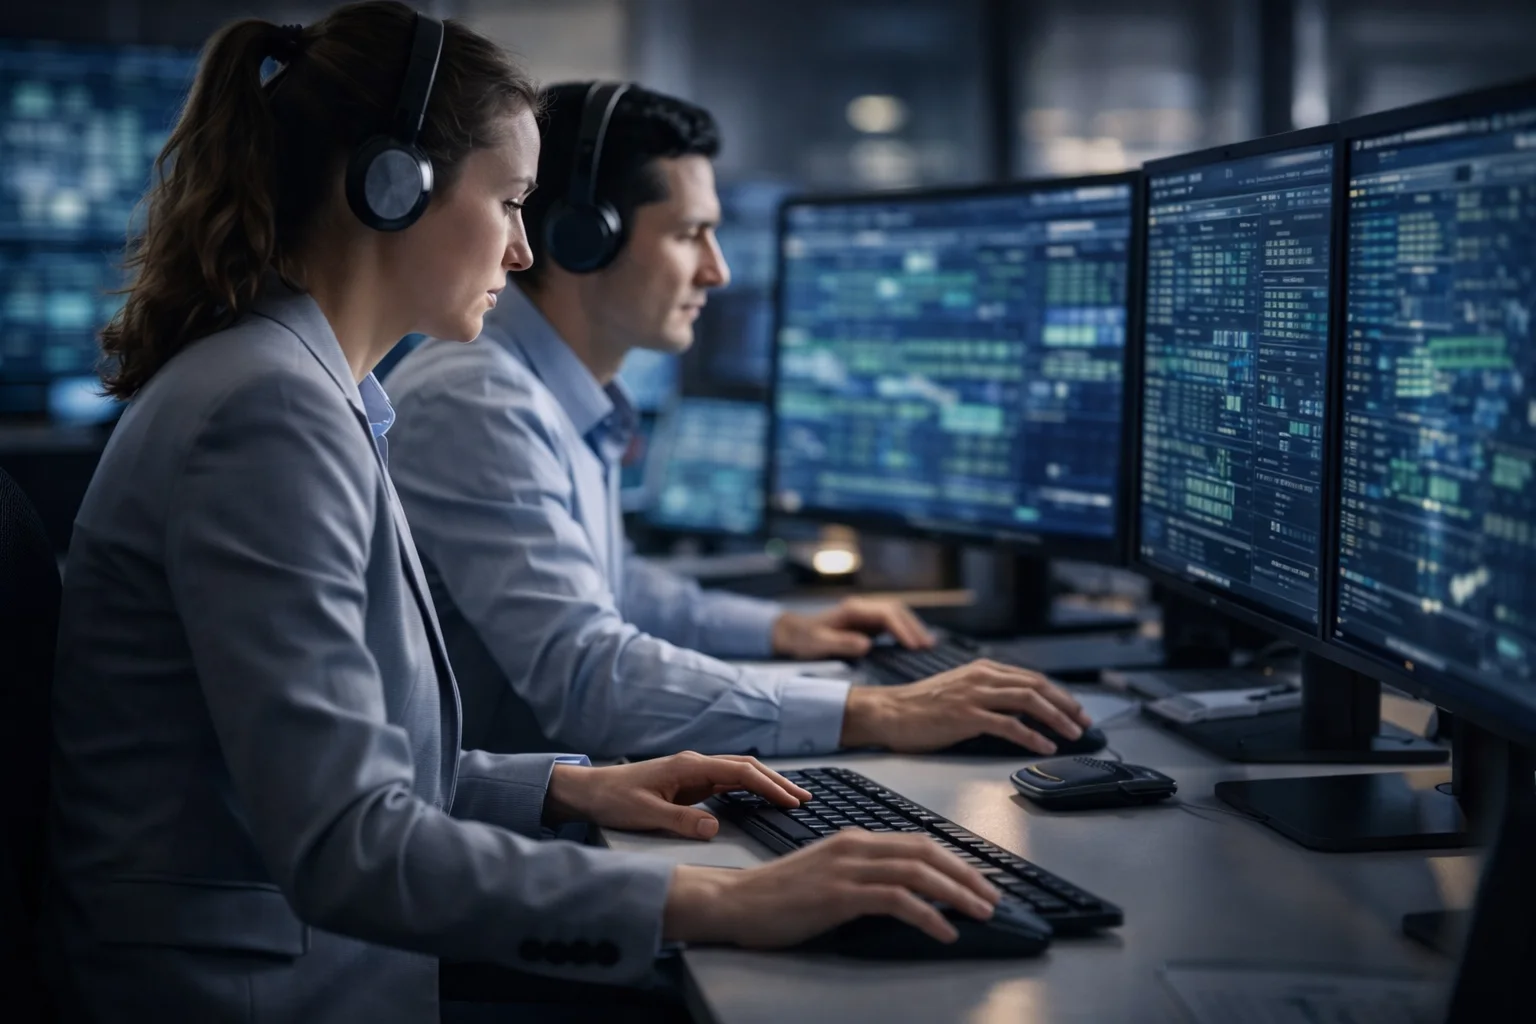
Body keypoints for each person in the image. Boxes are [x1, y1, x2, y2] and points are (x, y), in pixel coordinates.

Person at [44, 7, 1004, 1022]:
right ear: (390, 189)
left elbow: (337, 760)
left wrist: (565, 787)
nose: (519, 249)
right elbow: (346, 840)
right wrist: (723, 897)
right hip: (252, 994)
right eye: (507, 202)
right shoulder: (268, 412)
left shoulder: (303, 393)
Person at [384, 81, 1095, 760]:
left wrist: (787, 629)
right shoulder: (478, 402)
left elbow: (614, 586)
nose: (717, 272)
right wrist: (882, 711)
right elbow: (587, 679)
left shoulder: (547, 392)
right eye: (691, 235)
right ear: (583, 238)